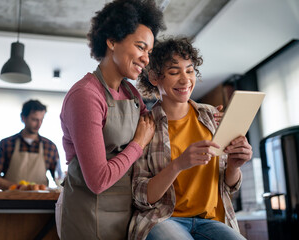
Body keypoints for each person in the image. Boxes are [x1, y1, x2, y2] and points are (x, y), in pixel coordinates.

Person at [55, 0, 166, 239]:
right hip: (88, 214)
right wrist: (137, 144)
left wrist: (200, 112)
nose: (146, 59)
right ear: (112, 41)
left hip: (124, 212)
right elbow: (98, 180)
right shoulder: (86, 96)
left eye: (149, 51)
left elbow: (155, 125)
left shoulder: (131, 93)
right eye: (140, 47)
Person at [129, 38, 252, 240]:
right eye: (174, 72)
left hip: (212, 220)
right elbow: (142, 197)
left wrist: (234, 166)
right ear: (154, 77)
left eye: (189, 70)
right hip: (164, 219)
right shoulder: (146, 126)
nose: (185, 80)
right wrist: (178, 164)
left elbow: (229, 186)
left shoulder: (213, 117)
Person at [0, 99, 61, 190]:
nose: (39, 124)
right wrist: (18, 187)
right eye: (34, 119)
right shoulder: (6, 144)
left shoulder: (50, 147)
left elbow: (59, 179)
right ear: (23, 118)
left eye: (41, 120)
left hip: (41, 202)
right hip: (10, 201)